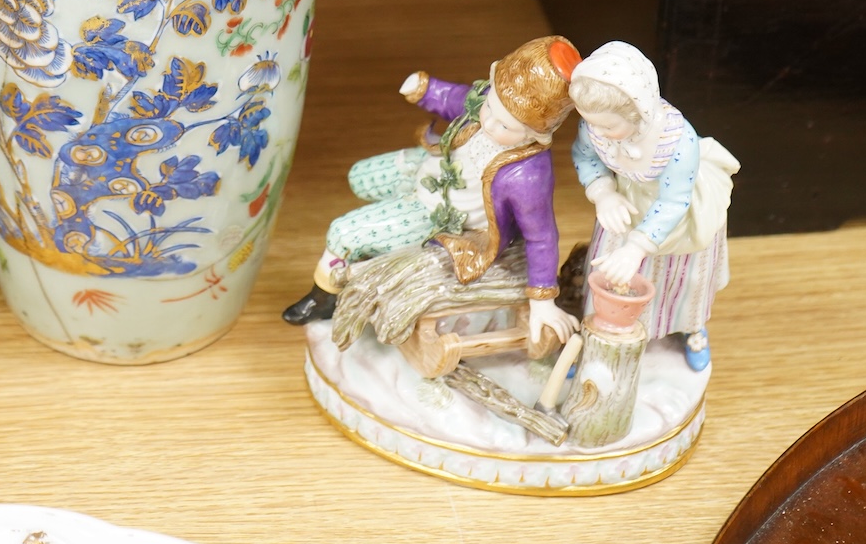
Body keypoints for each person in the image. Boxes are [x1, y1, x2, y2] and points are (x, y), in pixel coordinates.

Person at [285, 36, 582, 354]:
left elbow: (541, 236)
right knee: (360, 177)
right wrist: (425, 89)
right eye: (490, 107)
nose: (489, 123)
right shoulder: (487, 105)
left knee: (343, 233)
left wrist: (542, 299)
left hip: (442, 210)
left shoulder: (528, 176)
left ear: (538, 135)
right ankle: (378, 243)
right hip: (432, 166)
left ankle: (324, 296)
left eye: (506, 127)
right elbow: (458, 100)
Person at [569, 41, 739, 371]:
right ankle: (601, 332)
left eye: (608, 126)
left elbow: (674, 201)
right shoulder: (594, 126)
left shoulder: (677, 141)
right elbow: (585, 156)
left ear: (639, 111)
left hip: (676, 213)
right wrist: (603, 193)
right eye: (590, 122)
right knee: (610, 267)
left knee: (681, 277)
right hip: (626, 200)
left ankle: (691, 326)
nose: (597, 131)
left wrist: (637, 247)